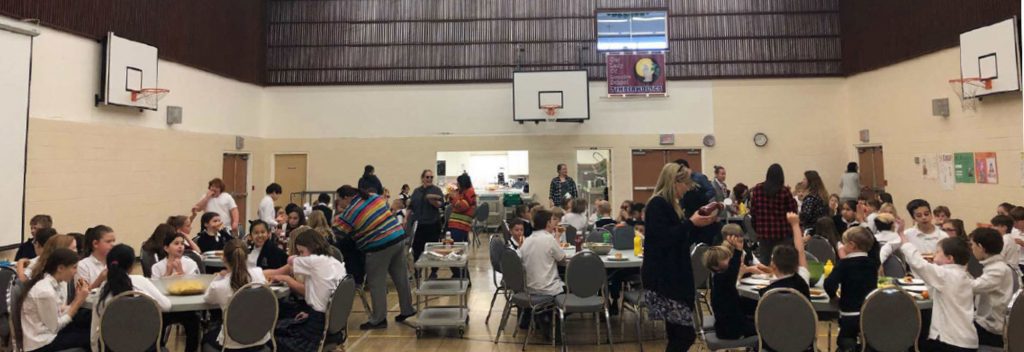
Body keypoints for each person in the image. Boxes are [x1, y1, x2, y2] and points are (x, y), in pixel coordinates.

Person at [642, 163, 718, 352]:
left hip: (673, 276)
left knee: (677, 334)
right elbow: (665, 238)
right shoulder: (657, 204)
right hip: (666, 278)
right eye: (685, 184)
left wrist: (696, 224)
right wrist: (690, 223)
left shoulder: (670, 205)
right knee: (685, 335)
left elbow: (679, 237)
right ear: (674, 183)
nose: (687, 189)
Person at [333, 186, 415, 330]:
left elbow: (337, 234)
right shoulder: (373, 196)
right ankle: (407, 310)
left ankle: (379, 319)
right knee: (401, 277)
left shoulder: (351, 211)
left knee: (376, 283)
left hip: (378, 246)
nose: (340, 204)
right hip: (397, 238)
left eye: (339, 201)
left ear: (346, 197)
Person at [895, 220, 978, 351]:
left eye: (938, 252)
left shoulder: (946, 275)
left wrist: (902, 236)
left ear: (950, 258)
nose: (934, 254)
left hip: (951, 341)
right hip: (965, 339)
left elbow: (919, 263)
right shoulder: (964, 275)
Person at [264, 230, 348, 351]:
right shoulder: (335, 263)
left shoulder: (314, 262)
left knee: (270, 336)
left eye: (302, 252)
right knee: (281, 326)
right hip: (329, 324)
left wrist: (285, 277)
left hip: (314, 333)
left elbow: (290, 261)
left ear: (314, 248)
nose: (301, 255)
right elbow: (327, 297)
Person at [90, 244, 174, 352]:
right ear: (132, 265)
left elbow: (95, 331)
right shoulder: (140, 281)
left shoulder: (102, 291)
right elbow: (166, 306)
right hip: (145, 347)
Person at [13, 248, 90, 352]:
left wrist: (77, 299)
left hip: (48, 334)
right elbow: (56, 326)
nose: (76, 272)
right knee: (91, 337)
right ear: (60, 268)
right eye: (74, 267)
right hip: (41, 344)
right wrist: (78, 301)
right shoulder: (45, 291)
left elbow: (57, 312)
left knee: (86, 322)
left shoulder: (52, 283)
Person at [203, 239, 271, 351]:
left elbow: (207, 299)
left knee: (206, 338)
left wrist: (220, 277)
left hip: (231, 345)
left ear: (223, 259)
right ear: (247, 257)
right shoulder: (259, 274)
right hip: (260, 339)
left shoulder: (219, 286)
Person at [824, 226, 880, 352]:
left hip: (849, 313)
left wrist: (834, 297)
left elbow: (829, 284)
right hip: (868, 312)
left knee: (846, 338)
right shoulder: (872, 264)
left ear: (851, 245)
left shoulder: (845, 264)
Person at [704, 232, 759, 339]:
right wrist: (738, 250)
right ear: (715, 266)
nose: (729, 260)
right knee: (767, 328)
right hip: (731, 329)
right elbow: (733, 270)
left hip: (728, 324)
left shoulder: (719, 278)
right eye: (726, 258)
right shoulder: (721, 278)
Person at [518, 209, 567, 330]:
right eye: (552, 220)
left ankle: (544, 315)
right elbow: (562, 258)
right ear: (548, 223)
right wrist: (556, 238)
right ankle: (551, 318)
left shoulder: (527, 240)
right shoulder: (549, 239)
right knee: (573, 291)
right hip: (548, 288)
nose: (554, 223)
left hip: (530, 288)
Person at [968, 228, 1014, 349]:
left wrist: (956, 272)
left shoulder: (998, 269)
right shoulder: (993, 266)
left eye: (972, 245)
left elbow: (974, 287)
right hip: (985, 321)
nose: (971, 249)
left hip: (991, 327)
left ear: (981, 247)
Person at [749, 164, 798, 263]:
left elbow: (753, 211)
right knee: (783, 263)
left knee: (764, 262)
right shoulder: (784, 191)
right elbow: (793, 211)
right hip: (782, 233)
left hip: (764, 233)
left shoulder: (757, 189)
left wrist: (757, 228)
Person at [759, 212, 810, 298]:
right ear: (796, 265)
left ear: (773, 265)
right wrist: (795, 225)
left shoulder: (767, 293)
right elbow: (800, 251)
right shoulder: (802, 280)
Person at [407, 169, 444, 276]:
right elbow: (411, 206)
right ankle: (418, 271)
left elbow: (441, 205)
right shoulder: (416, 191)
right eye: (427, 177)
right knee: (417, 249)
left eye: (431, 177)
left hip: (432, 224)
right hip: (419, 225)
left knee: (433, 249)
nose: (429, 179)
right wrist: (405, 219)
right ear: (422, 178)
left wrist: (433, 201)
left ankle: (433, 271)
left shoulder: (436, 190)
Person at [78, 225, 116, 289]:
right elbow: (83, 294)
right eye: (108, 241)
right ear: (95, 244)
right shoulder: (82, 265)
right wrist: (100, 280)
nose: (113, 244)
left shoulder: (115, 263)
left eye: (113, 241)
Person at [447, 173, 477, 245]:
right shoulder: (463, 192)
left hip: (460, 225)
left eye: (458, 183)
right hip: (457, 224)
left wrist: (454, 197)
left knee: (457, 247)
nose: (457, 185)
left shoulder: (469, 192)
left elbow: (462, 206)